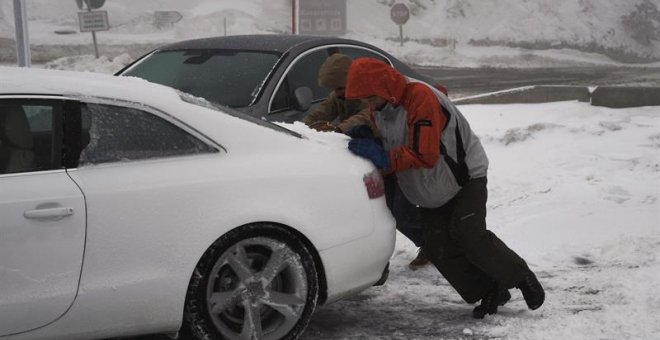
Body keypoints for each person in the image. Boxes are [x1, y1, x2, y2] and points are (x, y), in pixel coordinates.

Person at [344, 57, 545, 318]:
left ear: (383, 88)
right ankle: (489, 290)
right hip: (429, 188)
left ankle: (521, 277)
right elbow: (394, 142)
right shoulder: (380, 107)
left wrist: (384, 157)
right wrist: (373, 140)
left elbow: (424, 154)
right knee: (437, 247)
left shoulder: (420, 97)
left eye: (370, 98)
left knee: (468, 235)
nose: (368, 105)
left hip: (463, 177)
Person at [306, 53, 430, 269]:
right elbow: (320, 113)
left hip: (397, 157)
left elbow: (365, 117)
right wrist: (304, 129)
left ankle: (435, 245)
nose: (336, 94)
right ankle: (430, 243)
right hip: (380, 162)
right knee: (389, 210)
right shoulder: (338, 97)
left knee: (403, 212)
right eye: (333, 89)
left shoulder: (369, 96)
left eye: (340, 88)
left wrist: (338, 129)